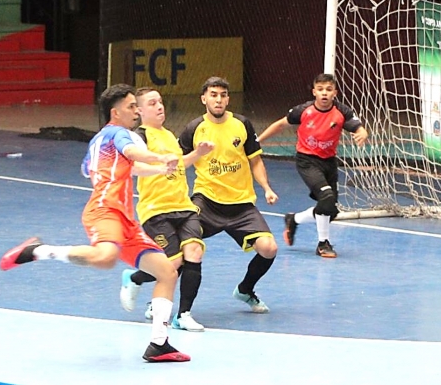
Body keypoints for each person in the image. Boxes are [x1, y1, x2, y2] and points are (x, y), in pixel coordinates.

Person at [0, 84, 191, 363]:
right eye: (131, 107)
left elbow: (132, 167)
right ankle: (38, 250)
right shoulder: (118, 134)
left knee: (167, 272)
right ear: (115, 112)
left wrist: (161, 169)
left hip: (125, 219)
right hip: (105, 209)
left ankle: (159, 344)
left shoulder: (101, 140)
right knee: (105, 258)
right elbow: (135, 155)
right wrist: (160, 157)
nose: (136, 111)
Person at [118, 87, 214, 332]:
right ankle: (135, 278)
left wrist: (198, 153)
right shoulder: (139, 136)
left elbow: (179, 164)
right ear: (139, 111)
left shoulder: (169, 135)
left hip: (184, 206)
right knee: (171, 265)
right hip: (156, 209)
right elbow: (133, 167)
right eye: (152, 103)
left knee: (194, 252)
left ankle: (183, 314)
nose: (159, 106)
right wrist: (159, 168)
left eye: (160, 102)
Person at [180, 76, 278, 313]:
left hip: (241, 203)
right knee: (185, 248)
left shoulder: (242, 124)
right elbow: (179, 164)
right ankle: (160, 300)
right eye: (213, 95)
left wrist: (266, 188)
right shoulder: (194, 128)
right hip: (207, 200)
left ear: (228, 99)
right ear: (204, 98)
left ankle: (245, 289)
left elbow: (255, 161)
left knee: (269, 248)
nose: (218, 99)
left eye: (223, 95)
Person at [257, 73, 368, 258]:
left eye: (329, 90)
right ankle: (323, 244)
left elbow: (358, 127)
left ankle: (294, 219)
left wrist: (362, 133)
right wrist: (258, 140)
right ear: (314, 92)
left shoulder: (341, 111)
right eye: (321, 89)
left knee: (330, 210)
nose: (324, 93)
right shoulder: (303, 111)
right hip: (307, 161)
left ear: (335, 93)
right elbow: (280, 125)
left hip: (329, 162)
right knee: (326, 197)